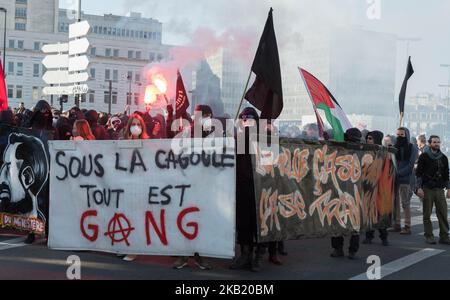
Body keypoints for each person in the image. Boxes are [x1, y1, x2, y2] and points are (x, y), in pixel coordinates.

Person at [230, 107, 261, 271]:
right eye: (242, 118)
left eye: (249, 118)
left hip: (259, 188)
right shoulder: (236, 139)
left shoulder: (265, 138)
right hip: (241, 188)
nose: (245, 121)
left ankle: (257, 257)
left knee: (259, 224)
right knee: (243, 223)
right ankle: (245, 254)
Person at [330, 128, 362, 260]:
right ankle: (347, 250)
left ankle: (341, 249)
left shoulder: (342, 151)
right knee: (346, 222)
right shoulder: (361, 151)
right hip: (348, 192)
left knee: (341, 222)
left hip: (347, 192)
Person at [416, 136, 450, 245]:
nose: (436, 144)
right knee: (427, 214)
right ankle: (429, 236)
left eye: (438, 142)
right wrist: (419, 188)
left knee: (443, 213)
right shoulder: (424, 156)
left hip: (439, 189)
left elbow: (446, 175)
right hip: (427, 189)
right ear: (430, 143)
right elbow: (418, 174)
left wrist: (449, 188)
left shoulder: (443, 157)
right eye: (434, 142)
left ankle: (444, 236)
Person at [363, 131, 389, 246]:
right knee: (369, 214)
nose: (368, 140)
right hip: (368, 187)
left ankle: (384, 237)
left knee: (380, 214)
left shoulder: (384, 153)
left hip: (380, 188)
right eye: (367, 138)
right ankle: (369, 237)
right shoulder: (365, 152)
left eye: (370, 138)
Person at [391, 127, 417, 234]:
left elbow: (411, 164)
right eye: (398, 134)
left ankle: (407, 226)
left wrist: (399, 173)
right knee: (395, 202)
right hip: (394, 178)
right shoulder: (394, 147)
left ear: (406, 135)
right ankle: (396, 224)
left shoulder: (412, 147)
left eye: (401, 134)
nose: (399, 136)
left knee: (405, 203)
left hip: (405, 178)